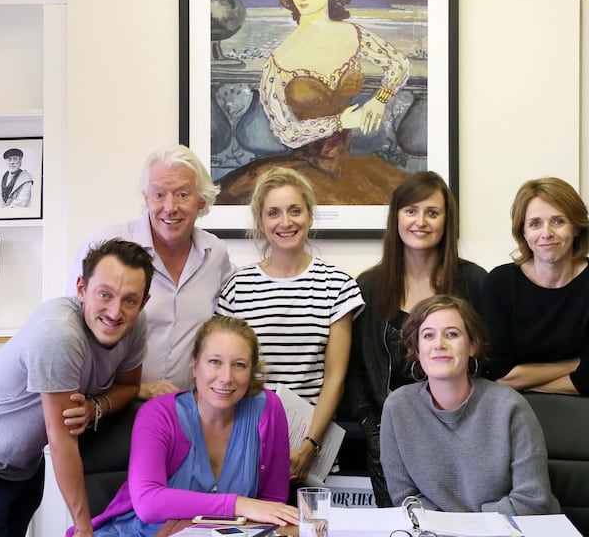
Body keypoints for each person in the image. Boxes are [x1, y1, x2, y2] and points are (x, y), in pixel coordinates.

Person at [0, 238, 154, 537]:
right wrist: (84, 529)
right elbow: (62, 440)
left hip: (23, 465)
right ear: (81, 289)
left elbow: (129, 385)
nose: (115, 312)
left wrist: (95, 407)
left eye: (130, 300)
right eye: (104, 295)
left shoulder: (136, 324)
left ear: (143, 302)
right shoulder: (58, 334)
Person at [480, 176, 589, 535]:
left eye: (558, 221)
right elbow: (500, 375)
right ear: (523, 233)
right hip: (516, 415)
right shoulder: (499, 282)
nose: (547, 232)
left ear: (576, 226)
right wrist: (573, 364)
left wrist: (528, 381)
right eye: (535, 223)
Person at [76, 315, 299, 537]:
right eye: (214, 362)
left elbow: (273, 506)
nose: (226, 377)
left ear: (251, 372)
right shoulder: (158, 414)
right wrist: (238, 505)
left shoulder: (268, 409)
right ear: (194, 365)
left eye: (239, 365)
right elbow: (148, 504)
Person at [343, 170, 485, 507]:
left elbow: (485, 362)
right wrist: (372, 426)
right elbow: (355, 369)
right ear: (396, 218)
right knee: (401, 523)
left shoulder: (474, 282)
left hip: (460, 429)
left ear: (447, 221)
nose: (421, 221)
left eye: (432, 212)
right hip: (389, 433)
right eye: (411, 211)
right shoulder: (368, 287)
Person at [217, 166, 364, 482]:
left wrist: (310, 444)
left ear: (310, 216)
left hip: (311, 449)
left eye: (295, 211)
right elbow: (226, 374)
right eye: (274, 213)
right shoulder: (236, 288)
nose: (285, 222)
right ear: (260, 222)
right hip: (246, 444)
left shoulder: (337, 286)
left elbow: (334, 377)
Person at [72, 145, 235, 398]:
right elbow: (74, 332)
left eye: (182, 194)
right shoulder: (107, 247)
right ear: (146, 198)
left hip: (185, 410)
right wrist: (139, 389)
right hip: (112, 407)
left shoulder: (215, 254)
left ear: (201, 200)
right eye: (159, 195)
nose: (170, 207)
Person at [379, 294, 560, 515]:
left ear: (472, 345)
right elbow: (406, 499)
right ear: (417, 350)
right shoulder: (397, 408)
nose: (439, 344)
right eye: (428, 335)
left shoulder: (510, 407)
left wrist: (467, 528)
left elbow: (533, 500)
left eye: (452, 334)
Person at [259, 0, 409, 178]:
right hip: (306, 166)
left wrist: (380, 99)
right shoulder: (279, 60)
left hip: (349, 159)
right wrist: (339, 122)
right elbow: (286, 131)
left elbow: (399, 64)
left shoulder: (353, 34)